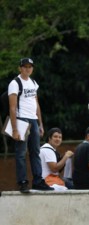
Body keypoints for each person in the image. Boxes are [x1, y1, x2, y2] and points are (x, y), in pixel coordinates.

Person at [8, 58, 53, 193]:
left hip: (33, 120)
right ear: (20, 68)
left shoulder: (33, 83)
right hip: (21, 120)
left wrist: (40, 123)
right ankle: (22, 182)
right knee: (21, 153)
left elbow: (36, 104)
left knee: (35, 152)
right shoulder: (15, 83)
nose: (28, 69)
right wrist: (15, 129)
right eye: (25, 66)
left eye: (30, 67)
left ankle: (38, 181)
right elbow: (12, 107)